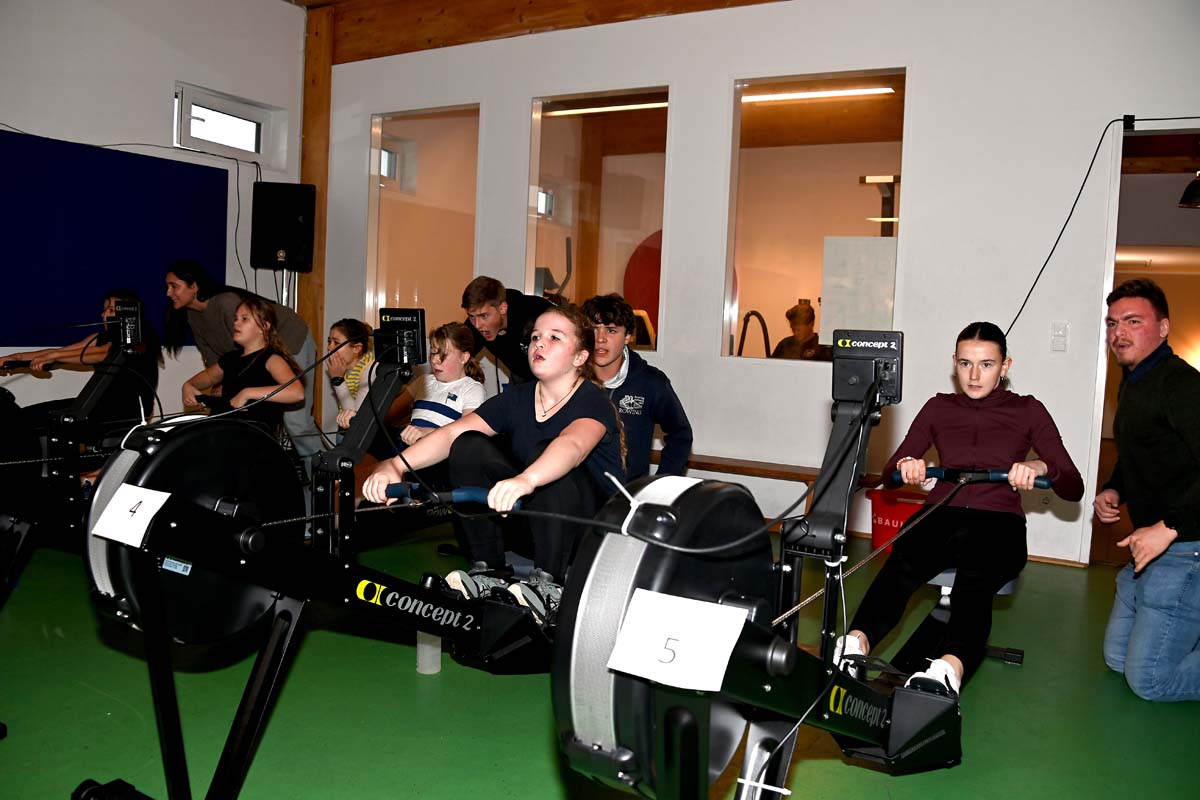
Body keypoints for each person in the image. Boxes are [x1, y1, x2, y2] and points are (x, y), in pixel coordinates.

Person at [835, 321, 1083, 696]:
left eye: (986, 364)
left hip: (999, 519)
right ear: (954, 363)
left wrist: (1040, 466)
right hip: (942, 512)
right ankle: (855, 645)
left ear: (1005, 366)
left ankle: (948, 669)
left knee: (974, 581)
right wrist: (907, 466)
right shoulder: (939, 408)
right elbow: (890, 474)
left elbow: (1073, 486)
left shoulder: (1028, 410)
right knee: (902, 564)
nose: (974, 375)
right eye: (966, 364)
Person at [363, 304, 625, 624]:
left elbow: (572, 446)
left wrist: (526, 480)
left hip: (586, 535)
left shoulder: (593, 400)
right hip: (533, 525)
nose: (539, 344)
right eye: (536, 337)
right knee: (468, 445)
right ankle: (488, 572)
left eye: (555, 338)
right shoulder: (517, 397)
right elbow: (452, 433)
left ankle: (551, 587)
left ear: (580, 357)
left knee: (546, 452)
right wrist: (396, 465)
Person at [1096, 278, 1200, 702]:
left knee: (1150, 681)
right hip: (1152, 550)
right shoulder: (1134, 381)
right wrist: (1113, 489)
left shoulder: (1182, 385)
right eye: (1113, 323)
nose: (1119, 332)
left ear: (1163, 328)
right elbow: (1139, 451)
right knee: (1116, 659)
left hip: (1188, 547)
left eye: (1133, 321)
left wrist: (1169, 526)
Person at [163, 260, 323, 458]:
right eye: (167, 287)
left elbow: (292, 390)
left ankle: (323, 473)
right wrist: (194, 385)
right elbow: (216, 362)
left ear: (194, 286)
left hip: (291, 338)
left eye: (174, 286)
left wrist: (245, 391)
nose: (168, 293)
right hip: (254, 355)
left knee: (296, 422)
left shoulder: (226, 303)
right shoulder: (193, 316)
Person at [1, 289, 163, 429]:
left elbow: (103, 354)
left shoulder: (139, 339)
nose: (104, 314)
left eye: (112, 310)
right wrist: (15, 357)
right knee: (26, 415)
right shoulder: (99, 338)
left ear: (129, 313)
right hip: (96, 406)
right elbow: (63, 351)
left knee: (33, 420)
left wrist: (53, 357)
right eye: (105, 310)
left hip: (123, 412)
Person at [581, 293, 692, 479]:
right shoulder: (569, 378)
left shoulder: (650, 382)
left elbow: (681, 436)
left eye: (611, 330)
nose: (600, 338)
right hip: (578, 495)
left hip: (628, 493)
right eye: (593, 329)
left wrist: (659, 486)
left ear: (627, 336)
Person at [180, 295, 303, 431]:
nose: (236, 323)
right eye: (236, 319)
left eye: (244, 319)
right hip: (226, 430)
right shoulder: (231, 358)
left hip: (253, 435)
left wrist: (247, 393)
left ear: (264, 326)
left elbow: (296, 392)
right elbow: (209, 376)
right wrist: (188, 385)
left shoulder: (272, 359)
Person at [461, 275, 553, 383]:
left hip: (555, 374)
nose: (477, 325)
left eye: (484, 316)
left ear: (502, 308)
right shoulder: (474, 324)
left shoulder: (539, 315)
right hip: (521, 376)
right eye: (471, 316)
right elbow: (457, 356)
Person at [326, 318, 376, 432]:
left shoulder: (370, 369)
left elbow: (355, 418)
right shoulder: (343, 368)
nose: (329, 347)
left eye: (336, 343)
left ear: (356, 348)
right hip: (344, 431)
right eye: (329, 341)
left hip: (360, 433)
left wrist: (338, 380)